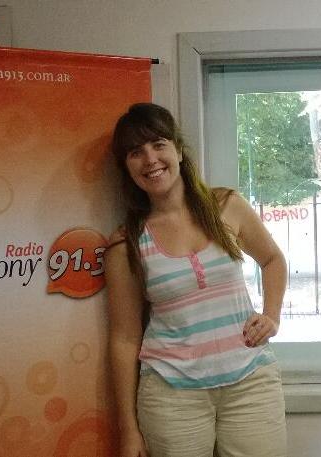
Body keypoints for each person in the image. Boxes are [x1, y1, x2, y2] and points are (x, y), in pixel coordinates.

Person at [105, 103, 288, 457]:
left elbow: (273, 260)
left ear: (178, 150)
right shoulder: (126, 244)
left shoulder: (227, 206)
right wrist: (128, 428)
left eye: (158, 144)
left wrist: (272, 316)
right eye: (135, 152)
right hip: (171, 396)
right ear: (126, 167)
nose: (150, 159)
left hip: (251, 382)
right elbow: (124, 339)